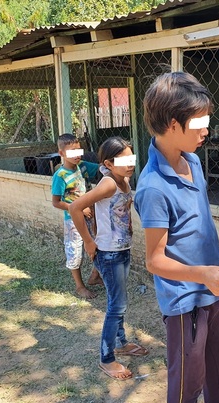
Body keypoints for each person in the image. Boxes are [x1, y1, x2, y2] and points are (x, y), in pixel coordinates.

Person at [134, 72, 219, 403]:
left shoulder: (193, 163)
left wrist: (217, 280)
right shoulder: (153, 186)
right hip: (184, 300)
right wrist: (203, 276)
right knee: (188, 381)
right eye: (199, 123)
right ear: (173, 124)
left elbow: (202, 228)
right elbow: (154, 260)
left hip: (209, 290)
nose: (206, 130)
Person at [69, 137, 148, 380]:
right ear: (108, 163)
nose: (129, 163)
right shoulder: (108, 184)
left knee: (119, 301)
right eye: (123, 159)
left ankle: (121, 343)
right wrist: (89, 241)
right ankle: (106, 358)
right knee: (117, 305)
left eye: (131, 158)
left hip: (122, 250)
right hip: (108, 252)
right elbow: (75, 208)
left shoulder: (122, 180)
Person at [51, 133, 103, 299]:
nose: (77, 154)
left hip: (90, 217)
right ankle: (80, 286)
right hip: (73, 220)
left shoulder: (82, 166)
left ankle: (95, 276)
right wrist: (78, 209)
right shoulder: (60, 176)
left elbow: (102, 167)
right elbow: (56, 202)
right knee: (74, 250)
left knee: (98, 244)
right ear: (61, 153)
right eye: (72, 152)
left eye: (79, 150)